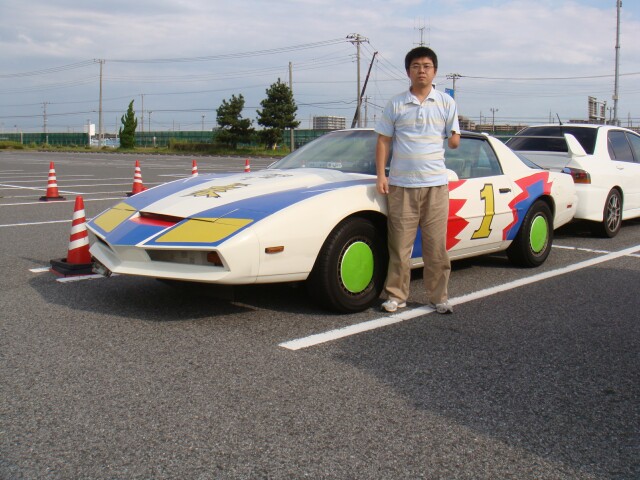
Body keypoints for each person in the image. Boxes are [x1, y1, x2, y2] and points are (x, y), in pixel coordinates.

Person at [375, 46, 460, 314]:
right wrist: (382, 175)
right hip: (401, 185)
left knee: (436, 247)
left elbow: (454, 135)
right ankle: (396, 296)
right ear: (408, 71)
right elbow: (383, 140)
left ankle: (439, 297)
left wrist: (454, 139)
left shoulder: (446, 102)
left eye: (426, 66)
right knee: (400, 246)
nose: (421, 71)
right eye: (415, 66)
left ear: (435, 71)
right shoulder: (396, 103)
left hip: (436, 185)